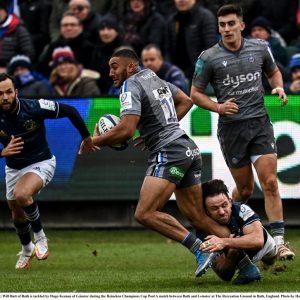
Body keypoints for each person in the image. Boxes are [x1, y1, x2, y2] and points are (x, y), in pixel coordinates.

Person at [79, 48, 232, 277]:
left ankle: (199, 250)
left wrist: (93, 141)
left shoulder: (129, 85)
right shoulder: (153, 77)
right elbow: (186, 101)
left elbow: (126, 130)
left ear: (130, 66)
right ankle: (244, 260)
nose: (110, 71)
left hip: (169, 151)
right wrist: (159, 129)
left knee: (144, 213)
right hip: (186, 148)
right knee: (198, 218)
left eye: (114, 66)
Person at [190, 4, 295, 261]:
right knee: (245, 190)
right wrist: (217, 106)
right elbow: (194, 93)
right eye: (222, 25)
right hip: (232, 130)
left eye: (230, 24)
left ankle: (279, 242)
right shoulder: (209, 57)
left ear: (241, 25)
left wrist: (279, 87)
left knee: (270, 182)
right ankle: (236, 228)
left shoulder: (259, 48)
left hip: (259, 123)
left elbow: (273, 71)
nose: (226, 29)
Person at [0, 73, 96, 269]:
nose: (5, 97)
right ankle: (27, 249)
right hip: (13, 168)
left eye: (9, 92)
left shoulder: (33, 107)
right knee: (17, 214)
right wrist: (3, 152)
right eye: (0, 94)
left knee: (22, 194)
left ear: (16, 92)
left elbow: (70, 110)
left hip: (42, 162)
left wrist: (86, 137)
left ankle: (41, 238)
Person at [198, 179, 277, 284]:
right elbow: (224, 275)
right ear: (206, 210)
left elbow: (258, 241)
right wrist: (232, 254)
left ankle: (279, 248)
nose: (221, 212)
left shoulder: (241, 209)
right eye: (214, 208)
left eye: (224, 205)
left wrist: (224, 242)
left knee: (271, 259)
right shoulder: (203, 229)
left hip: (265, 247)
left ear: (230, 201)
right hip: (238, 258)